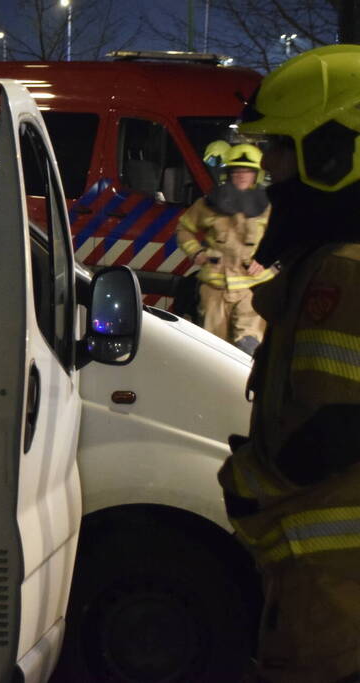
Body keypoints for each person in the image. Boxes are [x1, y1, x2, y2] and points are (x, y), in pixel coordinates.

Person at [217, 44, 360, 682]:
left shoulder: (344, 271)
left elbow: (331, 437)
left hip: (337, 597)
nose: (269, 164)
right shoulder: (328, 259)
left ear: (335, 153)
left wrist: (248, 485)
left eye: (281, 147)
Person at [176, 142, 274, 354]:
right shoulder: (208, 204)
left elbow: (284, 240)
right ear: (228, 173)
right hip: (214, 287)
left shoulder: (269, 207)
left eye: (247, 171)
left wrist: (267, 263)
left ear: (256, 175)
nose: (241, 175)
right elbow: (183, 229)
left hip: (252, 289)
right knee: (214, 348)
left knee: (249, 345)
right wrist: (196, 252)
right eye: (236, 170)